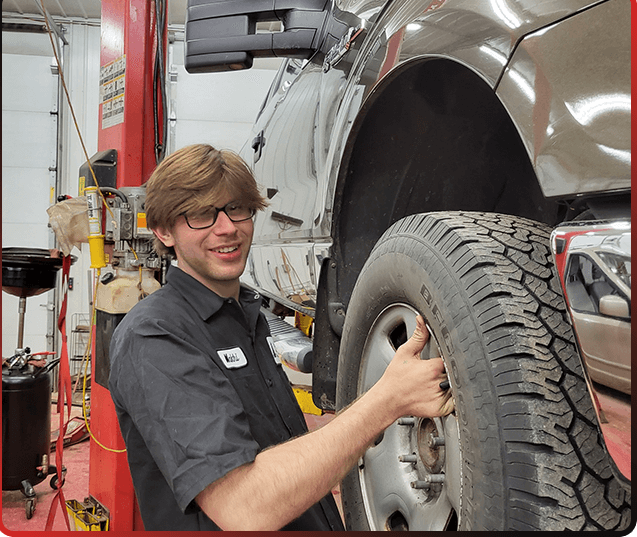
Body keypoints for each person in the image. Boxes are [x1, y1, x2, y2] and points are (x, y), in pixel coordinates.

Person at [108, 144, 454, 531]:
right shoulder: (155, 337)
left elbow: (278, 451)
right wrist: (388, 399)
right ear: (163, 230)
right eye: (202, 215)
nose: (227, 228)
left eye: (237, 208)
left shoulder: (243, 316)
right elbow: (244, 508)